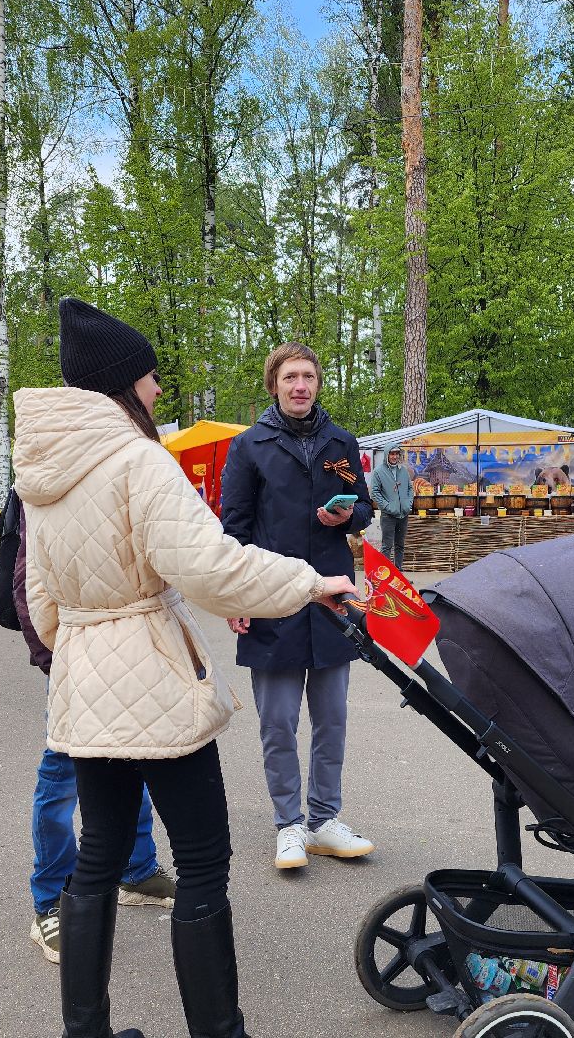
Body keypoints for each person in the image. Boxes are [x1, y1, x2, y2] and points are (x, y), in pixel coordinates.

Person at [13, 297, 357, 1038]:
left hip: (86, 682)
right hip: (153, 682)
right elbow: (209, 567)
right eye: (150, 377)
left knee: (97, 856)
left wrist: (82, 644)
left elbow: (38, 597)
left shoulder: (40, 472)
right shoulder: (136, 460)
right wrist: (309, 582)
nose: (159, 391)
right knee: (203, 862)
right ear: (121, 383)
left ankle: (87, 1031)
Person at [220, 342, 376, 872]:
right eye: (290, 377)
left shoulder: (341, 443)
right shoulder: (249, 447)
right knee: (279, 722)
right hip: (272, 599)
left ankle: (325, 819)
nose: (300, 385)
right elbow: (234, 532)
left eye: (308, 376)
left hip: (333, 601)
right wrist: (236, 598)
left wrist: (348, 518)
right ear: (274, 384)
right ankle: (289, 825)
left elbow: (365, 509)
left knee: (332, 719)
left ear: (317, 383)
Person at [7, 490, 177, 967]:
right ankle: (51, 901)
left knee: (135, 760)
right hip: (76, 659)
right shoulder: (52, 472)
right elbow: (28, 582)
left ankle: (136, 871)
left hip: (129, 655)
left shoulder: (126, 461)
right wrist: (56, 662)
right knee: (61, 778)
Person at [368, 445, 412, 568]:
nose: (395, 456)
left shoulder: (403, 470)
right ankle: (386, 576)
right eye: (392, 454)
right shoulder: (379, 471)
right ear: (387, 454)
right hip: (388, 516)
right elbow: (375, 493)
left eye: (397, 454)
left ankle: (398, 574)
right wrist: (387, 506)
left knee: (400, 545)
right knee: (387, 546)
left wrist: (408, 504)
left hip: (403, 514)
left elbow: (410, 488)